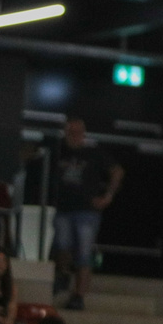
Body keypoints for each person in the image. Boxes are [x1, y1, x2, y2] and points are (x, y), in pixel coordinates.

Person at [51, 117, 124, 310]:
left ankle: (79, 295)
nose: (74, 136)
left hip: (87, 210)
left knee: (84, 253)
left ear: (83, 133)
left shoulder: (93, 153)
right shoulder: (57, 150)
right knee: (62, 246)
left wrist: (108, 195)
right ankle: (64, 274)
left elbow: (117, 171)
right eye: (71, 132)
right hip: (63, 208)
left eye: (78, 132)